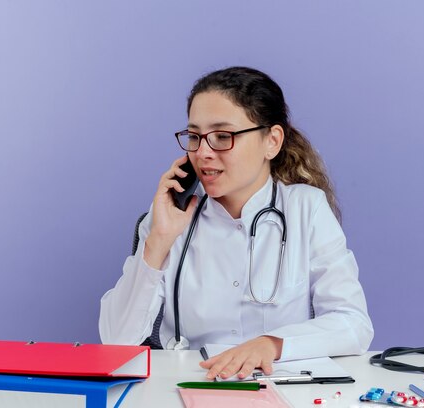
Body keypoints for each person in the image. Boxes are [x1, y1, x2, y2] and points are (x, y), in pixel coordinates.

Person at [99, 66, 373, 380]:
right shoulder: (168, 218)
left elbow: (353, 324)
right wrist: (159, 239)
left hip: (282, 388)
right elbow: (116, 342)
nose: (202, 153)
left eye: (222, 136)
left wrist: (270, 344)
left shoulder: (306, 209)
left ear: (272, 141)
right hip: (191, 385)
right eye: (194, 137)